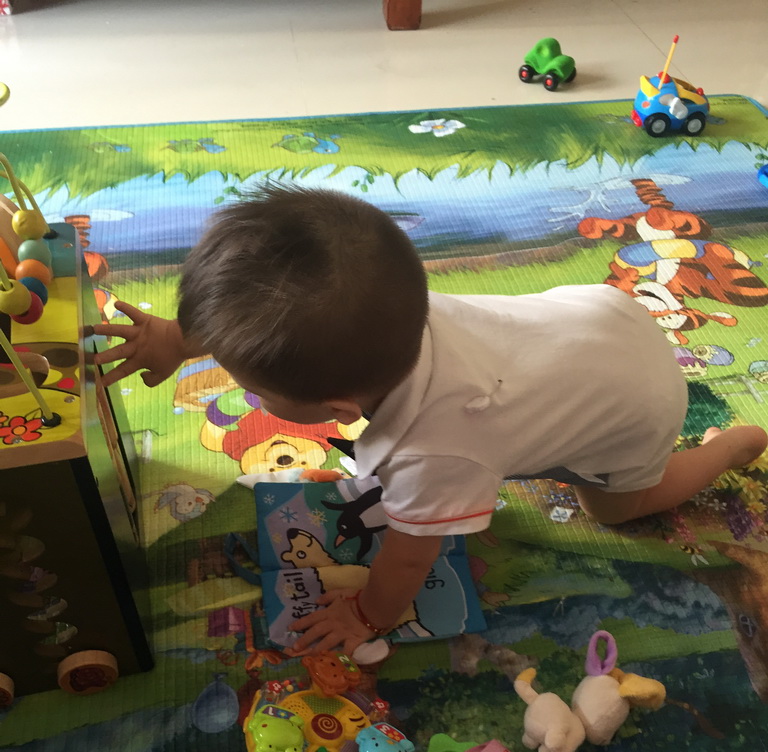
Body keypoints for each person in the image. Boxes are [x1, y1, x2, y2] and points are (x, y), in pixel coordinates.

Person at [94, 183, 768, 655]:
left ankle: (727, 446)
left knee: (617, 508)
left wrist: (366, 613)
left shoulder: (432, 454)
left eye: (252, 390)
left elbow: (410, 557)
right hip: (598, 316)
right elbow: (264, 318)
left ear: (337, 412)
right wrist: (179, 340)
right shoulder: (382, 307)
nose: (246, 397)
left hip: (637, 402)